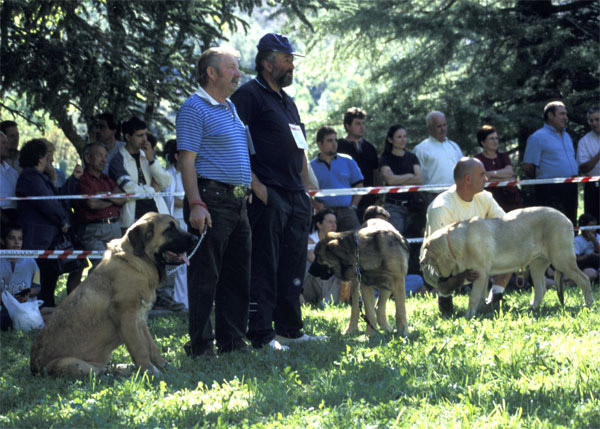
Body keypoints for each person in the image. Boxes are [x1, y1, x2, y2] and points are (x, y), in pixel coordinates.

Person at [231, 33, 324, 350]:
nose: (292, 66)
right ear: (267, 63)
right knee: (265, 264)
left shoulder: (288, 102)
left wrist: (306, 188)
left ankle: (290, 329)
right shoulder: (248, 96)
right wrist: (257, 188)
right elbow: (235, 146)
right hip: (268, 194)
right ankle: (261, 333)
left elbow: (299, 147)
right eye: (286, 59)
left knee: (294, 265)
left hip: (296, 195)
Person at [177, 46, 253, 356]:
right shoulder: (194, 108)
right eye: (232, 68)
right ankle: (200, 346)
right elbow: (187, 160)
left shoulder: (230, 108)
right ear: (212, 72)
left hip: (237, 203)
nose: (239, 74)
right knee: (205, 278)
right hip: (211, 201)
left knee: (236, 276)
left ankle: (232, 342)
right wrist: (196, 203)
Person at [421, 157, 511, 315]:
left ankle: (496, 298)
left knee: (512, 246)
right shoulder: (441, 207)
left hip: (474, 257)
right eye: (482, 175)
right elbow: (440, 254)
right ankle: (444, 296)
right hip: (439, 264)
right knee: (448, 266)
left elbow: (506, 225)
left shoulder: (485, 197)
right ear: (468, 179)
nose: (486, 178)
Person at [15, 139, 76, 308]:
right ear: (39, 157)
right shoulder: (29, 176)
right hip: (36, 238)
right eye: (46, 155)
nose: (50, 158)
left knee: (49, 280)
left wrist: (55, 179)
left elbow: (59, 199)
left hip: (49, 240)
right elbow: (47, 203)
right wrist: (62, 220)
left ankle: (47, 311)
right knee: (37, 280)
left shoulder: (43, 177)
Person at [109, 116, 172, 232]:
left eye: (145, 134)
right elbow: (130, 189)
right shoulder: (117, 161)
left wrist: (152, 161)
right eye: (139, 135)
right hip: (132, 221)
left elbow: (166, 182)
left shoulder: (148, 155)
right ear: (127, 137)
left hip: (158, 216)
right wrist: (153, 190)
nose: (144, 139)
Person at [523, 101, 578, 225]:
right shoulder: (537, 137)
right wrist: (545, 180)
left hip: (571, 186)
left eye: (566, 114)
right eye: (562, 114)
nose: (566, 118)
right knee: (555, 226)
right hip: (550, 188)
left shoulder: (567, 136)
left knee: (571, 223)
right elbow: (528, 167)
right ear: (550, 116)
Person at [73, 143, 124, 270]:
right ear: (88, 158)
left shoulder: (107, 179)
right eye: (99, 155)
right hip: (94, 231)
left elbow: (123, 198)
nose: (103, 159)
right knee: (101, 266)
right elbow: (91, 204)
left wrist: (104, 196)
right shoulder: (83, 180)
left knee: (118, 268)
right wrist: (112, 199)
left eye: (105, 156)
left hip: (114, 228)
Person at [310, 126, 364, 231]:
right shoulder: (311, 166)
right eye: (329, 141)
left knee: (355, 242)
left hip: (347, 212)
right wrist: (318, 207)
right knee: (326, 245)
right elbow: (307, 191)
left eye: (335, 140)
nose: (334, 144)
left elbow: (359, 185)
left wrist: (353, 206)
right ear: (319, 144)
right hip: (324, 213)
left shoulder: (347, 160)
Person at [379, 124, 423, 235]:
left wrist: (398, 178)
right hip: (393, 207)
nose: (403, 140)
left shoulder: (412, 157)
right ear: (390, 139)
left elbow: (419, 179)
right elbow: (391, 181)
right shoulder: (385, 158)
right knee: (396, 241)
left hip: (413, 207)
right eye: (399, 137)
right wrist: (410, 176)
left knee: (414, 241)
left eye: (405, 136)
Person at [337, 107, 380, 221]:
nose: (362, 127)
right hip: (345, 203)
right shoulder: (338, 146)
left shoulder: (369, 147)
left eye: (363, 123)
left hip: (369, 201)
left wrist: (378, 196)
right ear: (347, 126)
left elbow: (376, 173)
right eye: (357, 124)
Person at [162, 139, 189, 309]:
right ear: (176, 156)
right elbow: (171, 200)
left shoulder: (186, 173)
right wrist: (190, 202)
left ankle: (186, 300)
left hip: (187, 222)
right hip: (176, 224)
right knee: (180, 264)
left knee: (188, 264)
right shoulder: (169, 175)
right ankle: (180, 301)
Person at [0, 224, 41, 330]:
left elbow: (37, 288)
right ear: (3, 240)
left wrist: (28, 292)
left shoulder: (31, 262)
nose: (17, 242)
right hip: (4, 307)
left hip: (26, 307)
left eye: (20, 239)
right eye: (12, 238)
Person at [474, 125, 522, 212]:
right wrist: (505, 177)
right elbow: (483, 179)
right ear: (483, 142)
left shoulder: (503, 156)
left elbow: (510, 173)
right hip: (491, 203)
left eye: (496, 138)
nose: (495, 141)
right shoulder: (478, 159)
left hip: (511, 201)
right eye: (491, 139)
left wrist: (491, 174)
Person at [302, 209, 342, 305]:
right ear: (319, 225)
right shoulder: (310, 241)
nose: (334, 225)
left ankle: (327, 302)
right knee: (323, 273)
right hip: (308, 282)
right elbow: (316, 261)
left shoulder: (337, 242)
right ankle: (326, 303)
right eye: (330, 222)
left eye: (335, 222)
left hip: (326, 278)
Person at [414, 111, 463, 187]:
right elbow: (417, 178)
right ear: (430, 128)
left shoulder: (454, 146)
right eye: (439, 126)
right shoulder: (421, 149)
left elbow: (463, 169)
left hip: (455, 193)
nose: (443, 129)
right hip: (432, 194)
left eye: (444, 125)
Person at [576, 106, 600, 216]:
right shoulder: (584, 142)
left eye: (597, 119)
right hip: (594, 188)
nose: (594, 123)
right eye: (591, 120)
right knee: (594, 221)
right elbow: (583, 168)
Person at [574, 213, 599, 284]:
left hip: (596, 261)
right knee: (592, 258)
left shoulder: (598, 237)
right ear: (583, 228)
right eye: (590, 227)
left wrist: (595, 242)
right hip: (584, 264)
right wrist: (588, 256)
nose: (593, 230)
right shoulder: (577, 240)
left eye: (595, 226)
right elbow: (575, 259)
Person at [0, 131, 19, 226]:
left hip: (14, 219)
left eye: (7, 143)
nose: (7, 146)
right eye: (3, 143)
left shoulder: (13, 172)